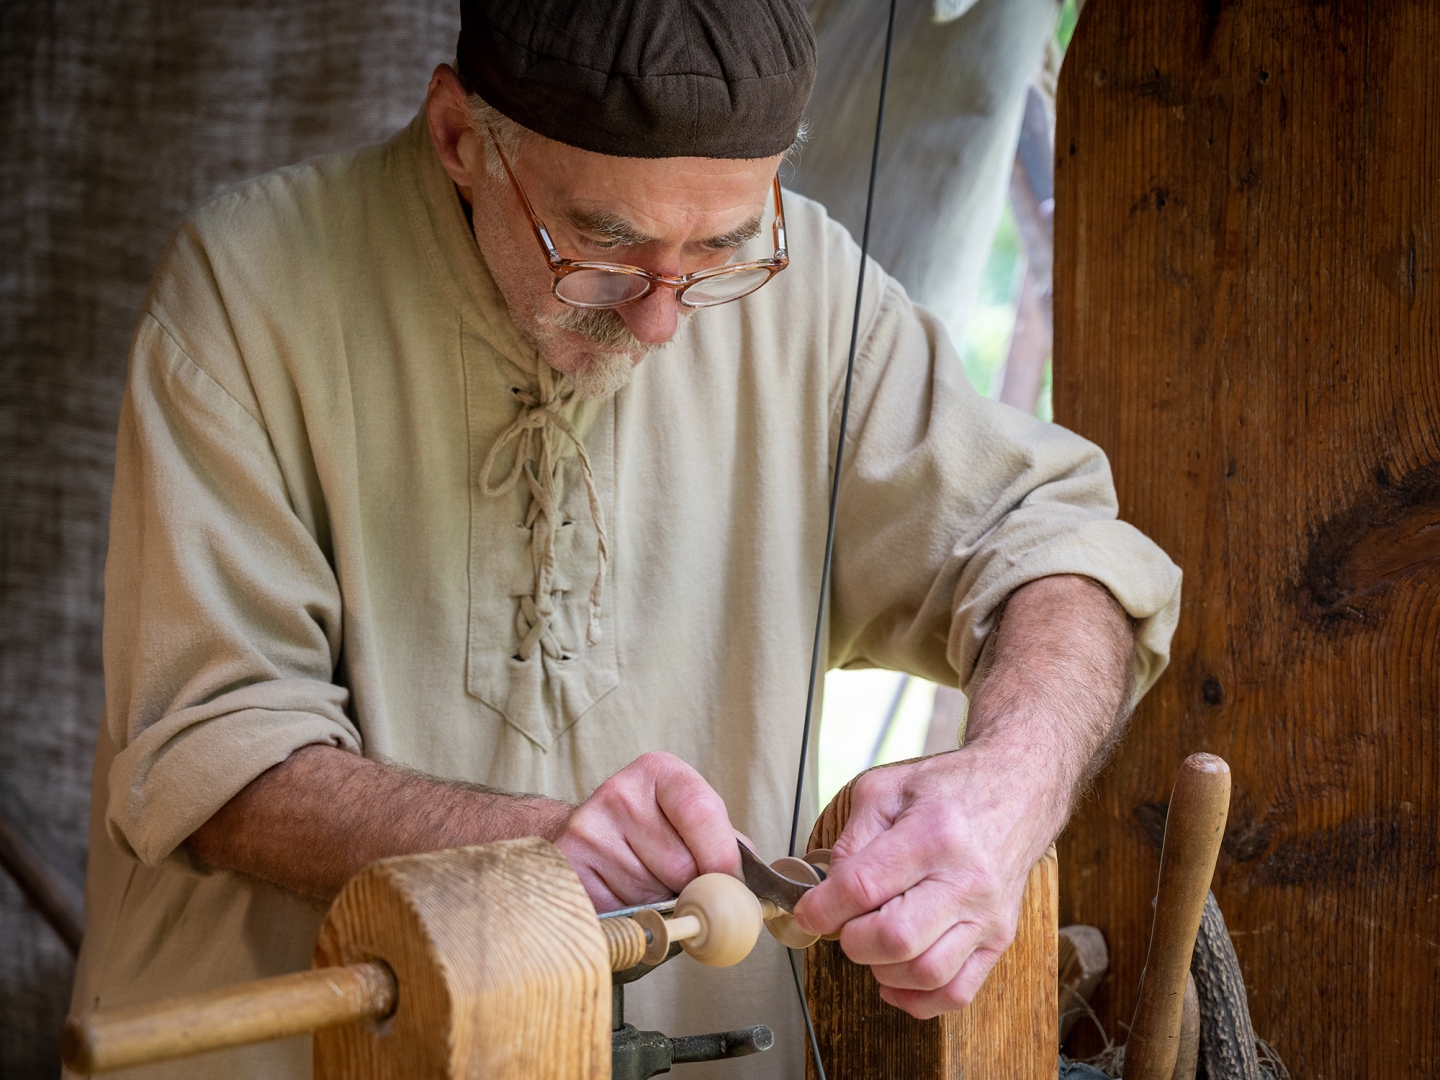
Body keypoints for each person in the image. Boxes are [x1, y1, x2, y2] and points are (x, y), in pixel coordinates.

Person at [70, 1, 1181, 1076]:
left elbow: (1057, 543)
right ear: (460, 137)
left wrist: (1011, 782)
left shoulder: (810, 288)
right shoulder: (248, 287)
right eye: (601, 248)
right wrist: (525, 854)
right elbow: (219, 752)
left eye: (719, 252)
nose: (660, 318)